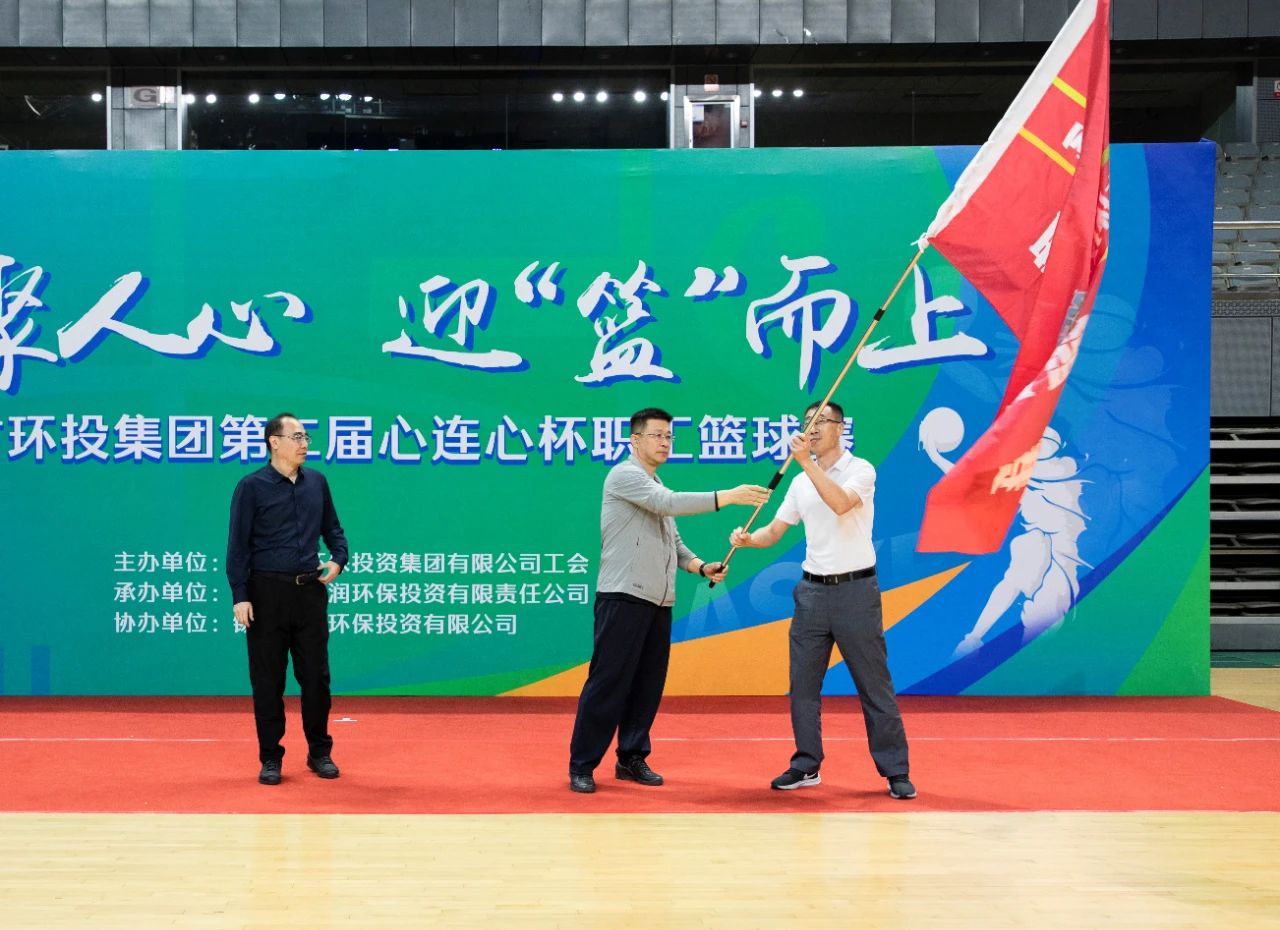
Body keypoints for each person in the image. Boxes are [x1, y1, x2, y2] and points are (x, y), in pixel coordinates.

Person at [568, 407, 771, 793]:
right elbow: (668, 503)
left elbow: (673, 543)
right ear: (635, 440)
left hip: (658, 602)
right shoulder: (625, 476)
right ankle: (582, 763)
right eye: (657, 435)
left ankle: (631, 757)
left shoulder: (655, 483)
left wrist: (701, 567)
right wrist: (728, 497)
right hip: (623, 596)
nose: (665, 443)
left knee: (647, 685)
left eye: (669, 436)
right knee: (608, 682)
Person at [730, 401, 915, 799]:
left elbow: (840, 503)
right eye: (807, 423)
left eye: (820, 422)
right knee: (803, 686)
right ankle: (806, 764)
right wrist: (748, 540)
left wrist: (805, 463)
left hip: (856, 591)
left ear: (840, 428)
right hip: (811, 593)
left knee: (874, 685)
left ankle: (895, 770)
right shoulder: (799, 483)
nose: (811, 429)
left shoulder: (860, 470)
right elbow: (774, 531)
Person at [227, 412, 348, 786]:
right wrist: (240, 595)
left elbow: (333, 529)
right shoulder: (251, 487)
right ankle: (270, 757)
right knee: (268, 681)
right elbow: (238, 546)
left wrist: (338, 558)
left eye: (306, 437)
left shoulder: (317, 483)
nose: (304, 444)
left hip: (309, 592)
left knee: (316, 678)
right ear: (274, 442)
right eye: (297, 437)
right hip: (266, 595)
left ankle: (319, 752)